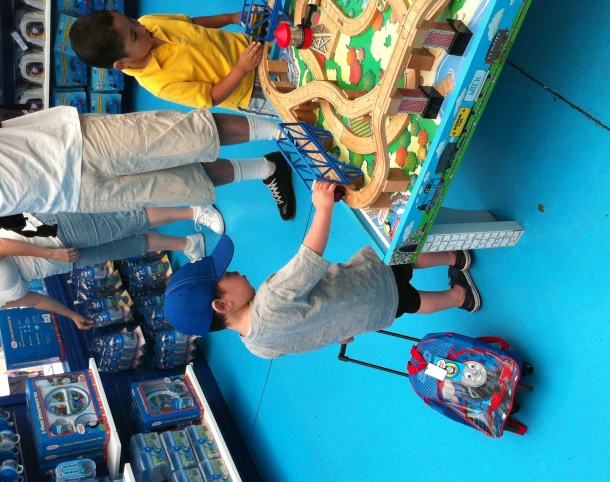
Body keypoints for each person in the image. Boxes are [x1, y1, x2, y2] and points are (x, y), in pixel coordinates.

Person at [163, 181, 483, 359]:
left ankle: (460, 297)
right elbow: (310, 255)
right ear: (221, 304)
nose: (234, 272)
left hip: (373, 315)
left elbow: (307, 336)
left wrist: (339, 333)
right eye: (226, 275)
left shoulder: (258, 347)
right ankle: (456, 258)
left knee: (412, 302)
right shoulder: (272, 296)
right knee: (401, 256)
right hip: (371, 279)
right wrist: (323, 207)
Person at [0, 105, 295, 220]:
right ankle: (267, 168)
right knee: (183, 184)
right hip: (71, 196)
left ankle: (282, 132)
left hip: (66, 144)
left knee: (185, 137)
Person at [0, 208, 213, 329]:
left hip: (45, 236)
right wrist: (71, 315)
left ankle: (193, 211)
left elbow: (2, 245)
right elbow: (35, 300)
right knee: (126, 247)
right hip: (61, 262)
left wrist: (51, 253)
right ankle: (188, 244)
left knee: (121, 224)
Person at [70, 10, 277, 119]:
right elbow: (211, 97)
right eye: (134, 35)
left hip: (248, 47)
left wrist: (231, 17)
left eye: (131, 20)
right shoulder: (159, 84)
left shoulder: (149, 22)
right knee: (300, 104)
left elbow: (192, 23)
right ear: (123, 63)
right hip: (251, 92)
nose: (141, 27)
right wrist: (241, 68)